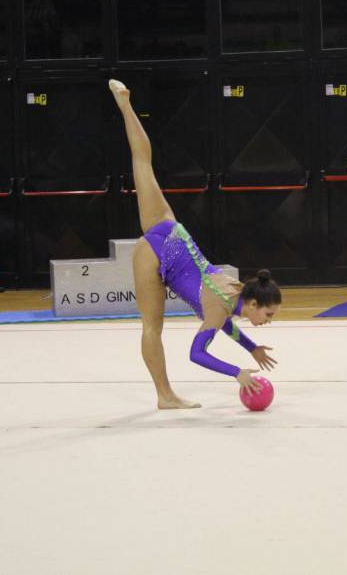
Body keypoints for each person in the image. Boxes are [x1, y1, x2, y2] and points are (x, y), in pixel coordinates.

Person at [109, 78, 281, 409]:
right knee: (151, 328)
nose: (268, 321)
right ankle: (164, 396)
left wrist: (251, 347)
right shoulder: (221, 305)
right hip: (156, 255)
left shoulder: (233, 289)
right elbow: (196, 353)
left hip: (170, 227)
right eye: (269, 315)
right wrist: (237, 372)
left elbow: (227, 323)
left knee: (143, 165)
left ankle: (125, 104)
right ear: (255, 305)